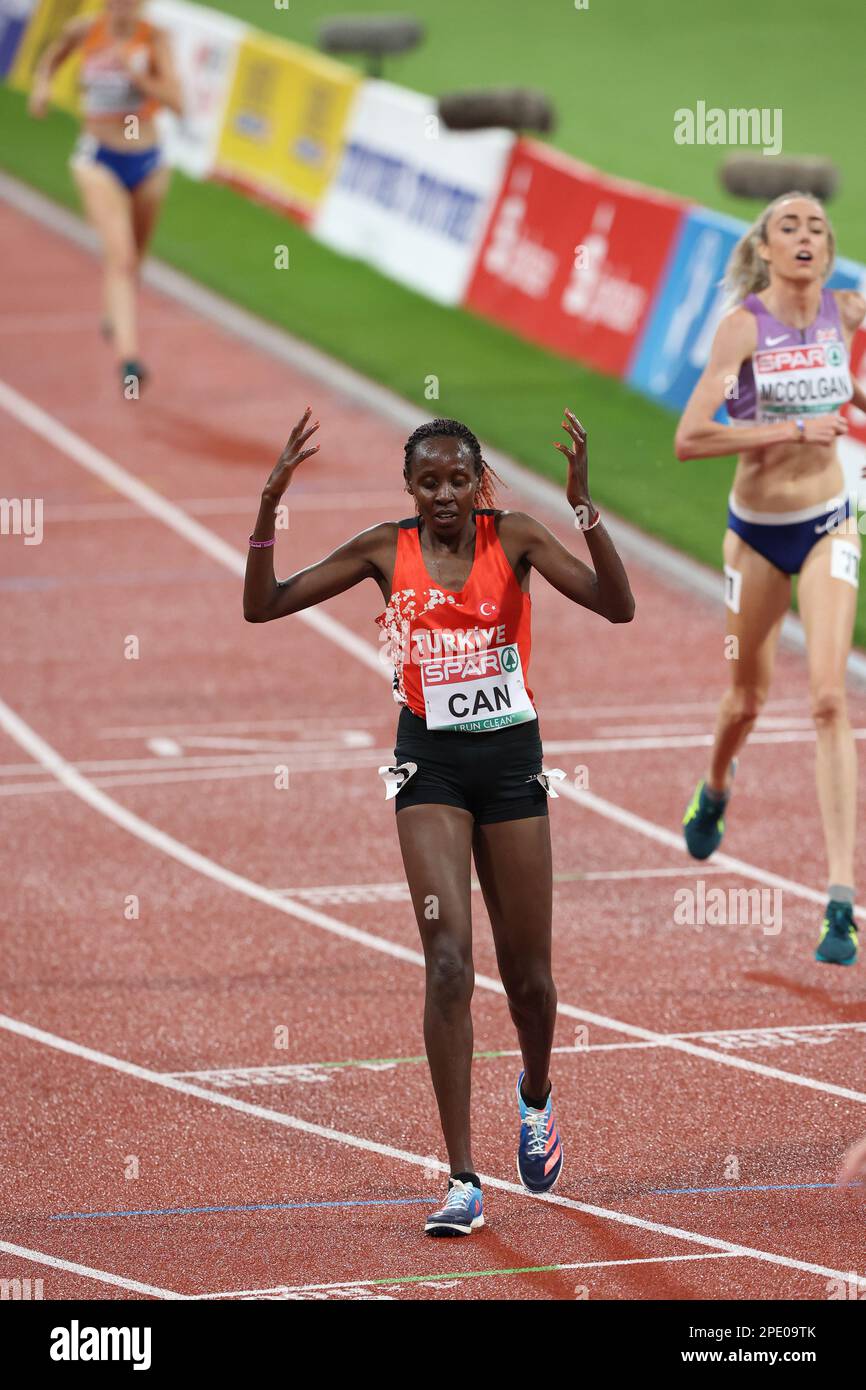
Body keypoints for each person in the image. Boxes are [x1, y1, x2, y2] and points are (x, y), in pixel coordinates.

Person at [244, 407, 634, 1235]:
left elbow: (617, 607)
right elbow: (264, 605)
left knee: (529, 979)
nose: (446, 494)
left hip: (512, 764)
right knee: (449, 961)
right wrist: (269, 508)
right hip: (431, 764)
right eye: (430, 482)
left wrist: (585, 508)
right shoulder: (386, 548)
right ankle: (462, 1176)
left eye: (459, 479)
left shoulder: (516, 536)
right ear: (410, 488)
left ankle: (534, 1094)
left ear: (478, 481)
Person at [675, 192, 866, 966]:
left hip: (829, 524)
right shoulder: (742, 328)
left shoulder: (846, 314)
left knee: (828, 697)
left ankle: (841, 900)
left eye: (817, 228)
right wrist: (791, 427)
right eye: (790, 227)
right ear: (767, 246)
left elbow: (840, 388)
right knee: (747, 698)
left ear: (827, 249)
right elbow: (691, 437)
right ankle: (716, 782)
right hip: (754, 537)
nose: (806, 237)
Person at [28, 0, 182, 396]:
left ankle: (115, 312)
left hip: (148, 162)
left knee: (137, 260)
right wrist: (43, 86)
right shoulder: (85, 30)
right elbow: (51, 57)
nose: (120, 8)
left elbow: (178, 103)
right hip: (98, 157)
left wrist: (138, 75)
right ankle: (128, 362)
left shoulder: (155, 39)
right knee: (121, 256)